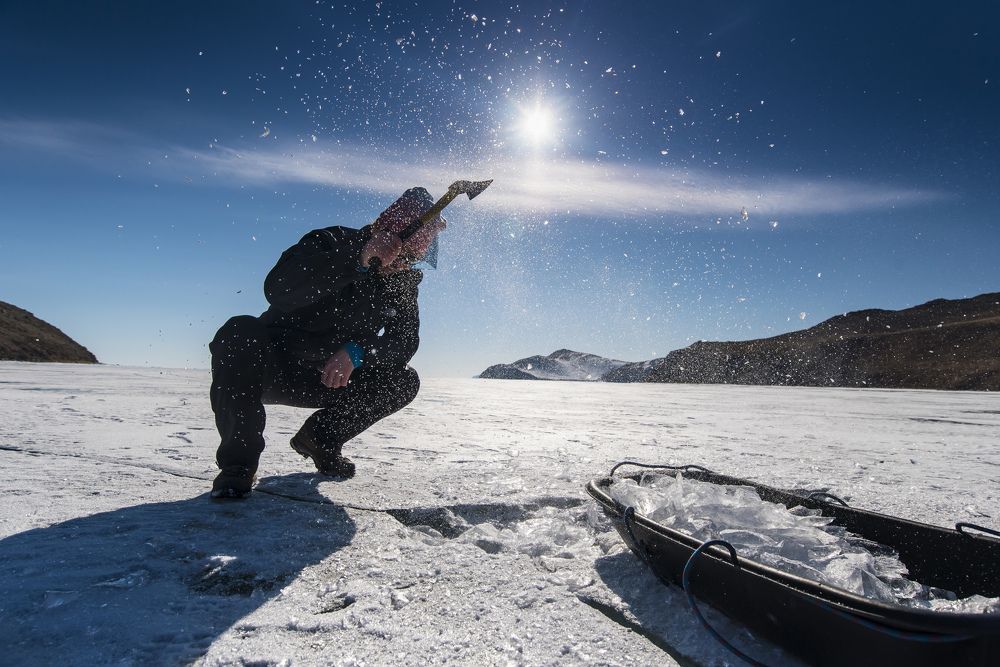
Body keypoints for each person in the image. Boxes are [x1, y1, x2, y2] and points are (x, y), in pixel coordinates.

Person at [209, 187, 446, 499]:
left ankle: (320, 439)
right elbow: (278, 289)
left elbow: (404, 342)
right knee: (239, 331)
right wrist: (357, 259)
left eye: (414, 261)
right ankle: (237, 467)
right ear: (387, 235)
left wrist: (358, 352)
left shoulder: (401, 282)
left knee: (403, 380)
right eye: (404, 256)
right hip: (275, 368)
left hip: (331, 378)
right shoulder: (331, 241)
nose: (405, 266)